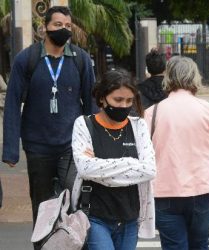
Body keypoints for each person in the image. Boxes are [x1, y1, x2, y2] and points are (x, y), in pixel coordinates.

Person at [2, 6, 96, 226]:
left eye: (67, 26)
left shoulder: (80, 59)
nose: (63, 29)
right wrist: (10, 150)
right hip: (38, 147)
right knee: (43, 206)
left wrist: (94, 142)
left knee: (73, 204)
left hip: (71, 145)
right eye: (57, 25)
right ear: (44, 28)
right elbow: (13, 103)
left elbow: (91, 103)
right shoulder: (27, 59)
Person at [145, 56, 209, 250]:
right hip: (204, 190)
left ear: (168, 77)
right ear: (195, 77)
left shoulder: (152, 113)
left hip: (164, 192)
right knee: (200, 243)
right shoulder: (207, 110)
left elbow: (144, 156)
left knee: (173, 245)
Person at [71, 69, 156, 249]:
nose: (124, 105)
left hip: (130, 218)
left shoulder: (138, 126)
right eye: (118, 100)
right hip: (95, 216)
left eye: (129, 100)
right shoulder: (84, 124)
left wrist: (101, 169)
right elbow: (86, 168)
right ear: (102, 98)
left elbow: (149, 170)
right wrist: (132, 164)